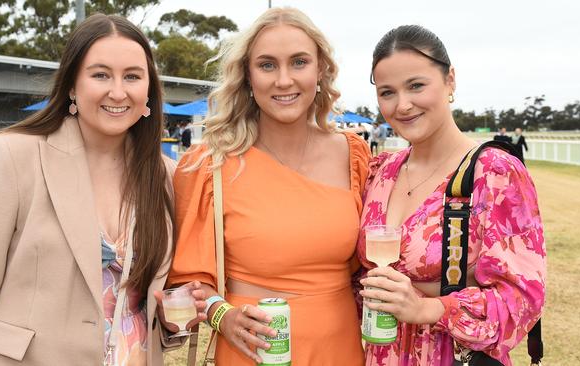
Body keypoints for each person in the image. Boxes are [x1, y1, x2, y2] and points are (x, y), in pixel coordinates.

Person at [0, 14, 206, 365]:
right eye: (100, 75)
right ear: (71, 85)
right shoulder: (12, 155)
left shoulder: (164, 175)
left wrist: (174, 318)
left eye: (132, 76)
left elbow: (153, 304)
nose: (118, 91)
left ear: (148, 89)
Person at [168, 7, 368, 365]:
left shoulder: (355, 155)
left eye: (299, 62)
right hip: (253, 352)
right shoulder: (207, 164)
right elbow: (186, 282)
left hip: (341, 348)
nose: (284, 80)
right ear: (247, 75)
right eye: (267, 65)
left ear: (320, 68)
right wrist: (221, 316)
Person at [357, 25, 546, 365]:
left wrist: (427, 307)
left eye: (416, 85)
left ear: (450, 81)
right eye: (387, 92)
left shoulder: (494, 174)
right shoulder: (380, 172)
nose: (402, 105)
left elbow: (523, 301)